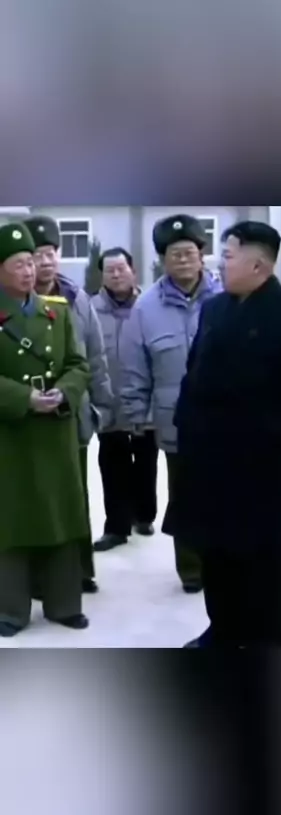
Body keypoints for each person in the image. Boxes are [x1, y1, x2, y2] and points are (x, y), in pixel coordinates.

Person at [163, 221, 281, 648]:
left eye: (228, 255)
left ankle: (270, 638)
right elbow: (195, 370)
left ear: (258, 265)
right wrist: (187, 423)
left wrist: (263, 429)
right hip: (206, 454)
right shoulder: (215, 308)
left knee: (262, 555)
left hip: (258, 460)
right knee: (215, 551)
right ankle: (223, 628)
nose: (219, 262)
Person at [120, 215, 222, 592]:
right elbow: (134, 365)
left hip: (224, 417)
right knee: (184, 493)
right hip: (174, 418)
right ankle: (191, 568)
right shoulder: (145, 307)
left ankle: (223, 562)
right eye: (174, 254)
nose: (182, 260)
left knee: (225, 492)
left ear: (202, 255)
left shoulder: (227, 296)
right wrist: (136, 414)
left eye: (189, 252)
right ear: (162, 260)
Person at [0, 221, 90, 636]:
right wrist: (25, 398)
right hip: (10, 433)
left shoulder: (57, 311)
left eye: (30, 262)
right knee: (11, 518)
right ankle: (11, 608)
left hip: (55, 429)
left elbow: (78, 364)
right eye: (18, 264)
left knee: (62, 515)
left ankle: (63, 603)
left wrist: (64, 393)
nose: (28, 271)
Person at [25, 215, 113, 592]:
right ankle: (33, 577)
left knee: (74, 496)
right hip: (24, 417)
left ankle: (78, 571)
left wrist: (102, 408)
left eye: (51, 253)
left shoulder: (77, 299)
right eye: (37, 254)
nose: (45, 262)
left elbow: (95, 357)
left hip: (71, 414)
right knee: (30, 496)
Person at [92, 248, 159, 552]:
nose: (116, 275)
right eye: (110, 270)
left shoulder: (149, 307)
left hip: (143, 401)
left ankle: (144, 515)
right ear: (102, 276)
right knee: (112, 465)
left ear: (133, 271)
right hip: (108, 403)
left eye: (121, 268)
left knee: (146, 461)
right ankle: (116, 527)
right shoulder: (90, 308)